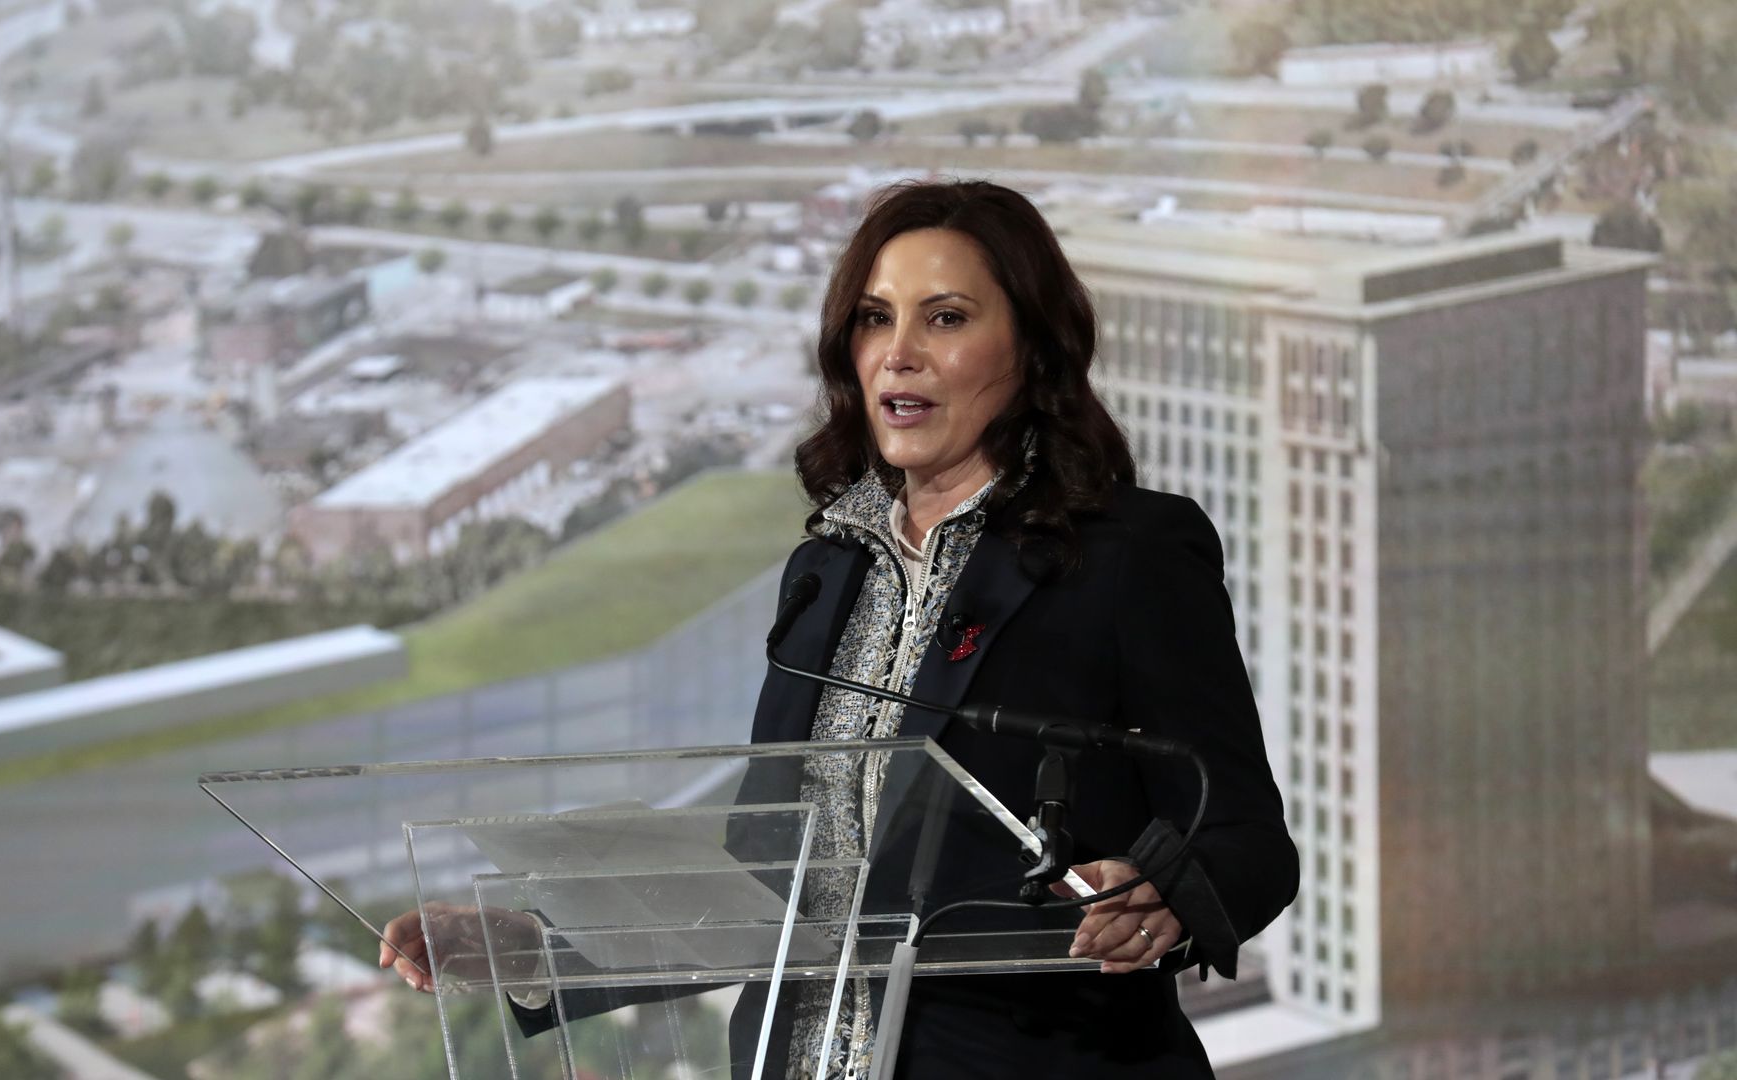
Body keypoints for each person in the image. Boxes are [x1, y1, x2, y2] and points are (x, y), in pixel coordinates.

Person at [382, 178, 1297, 1078]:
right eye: (874, 318)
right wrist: (538, 948)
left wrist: (1162, 894)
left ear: (1032, 347)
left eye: (945, 318)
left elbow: (1244, 835)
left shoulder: (1124, 555)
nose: (899, 354)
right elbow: (765, 887)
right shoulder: (825, 573)